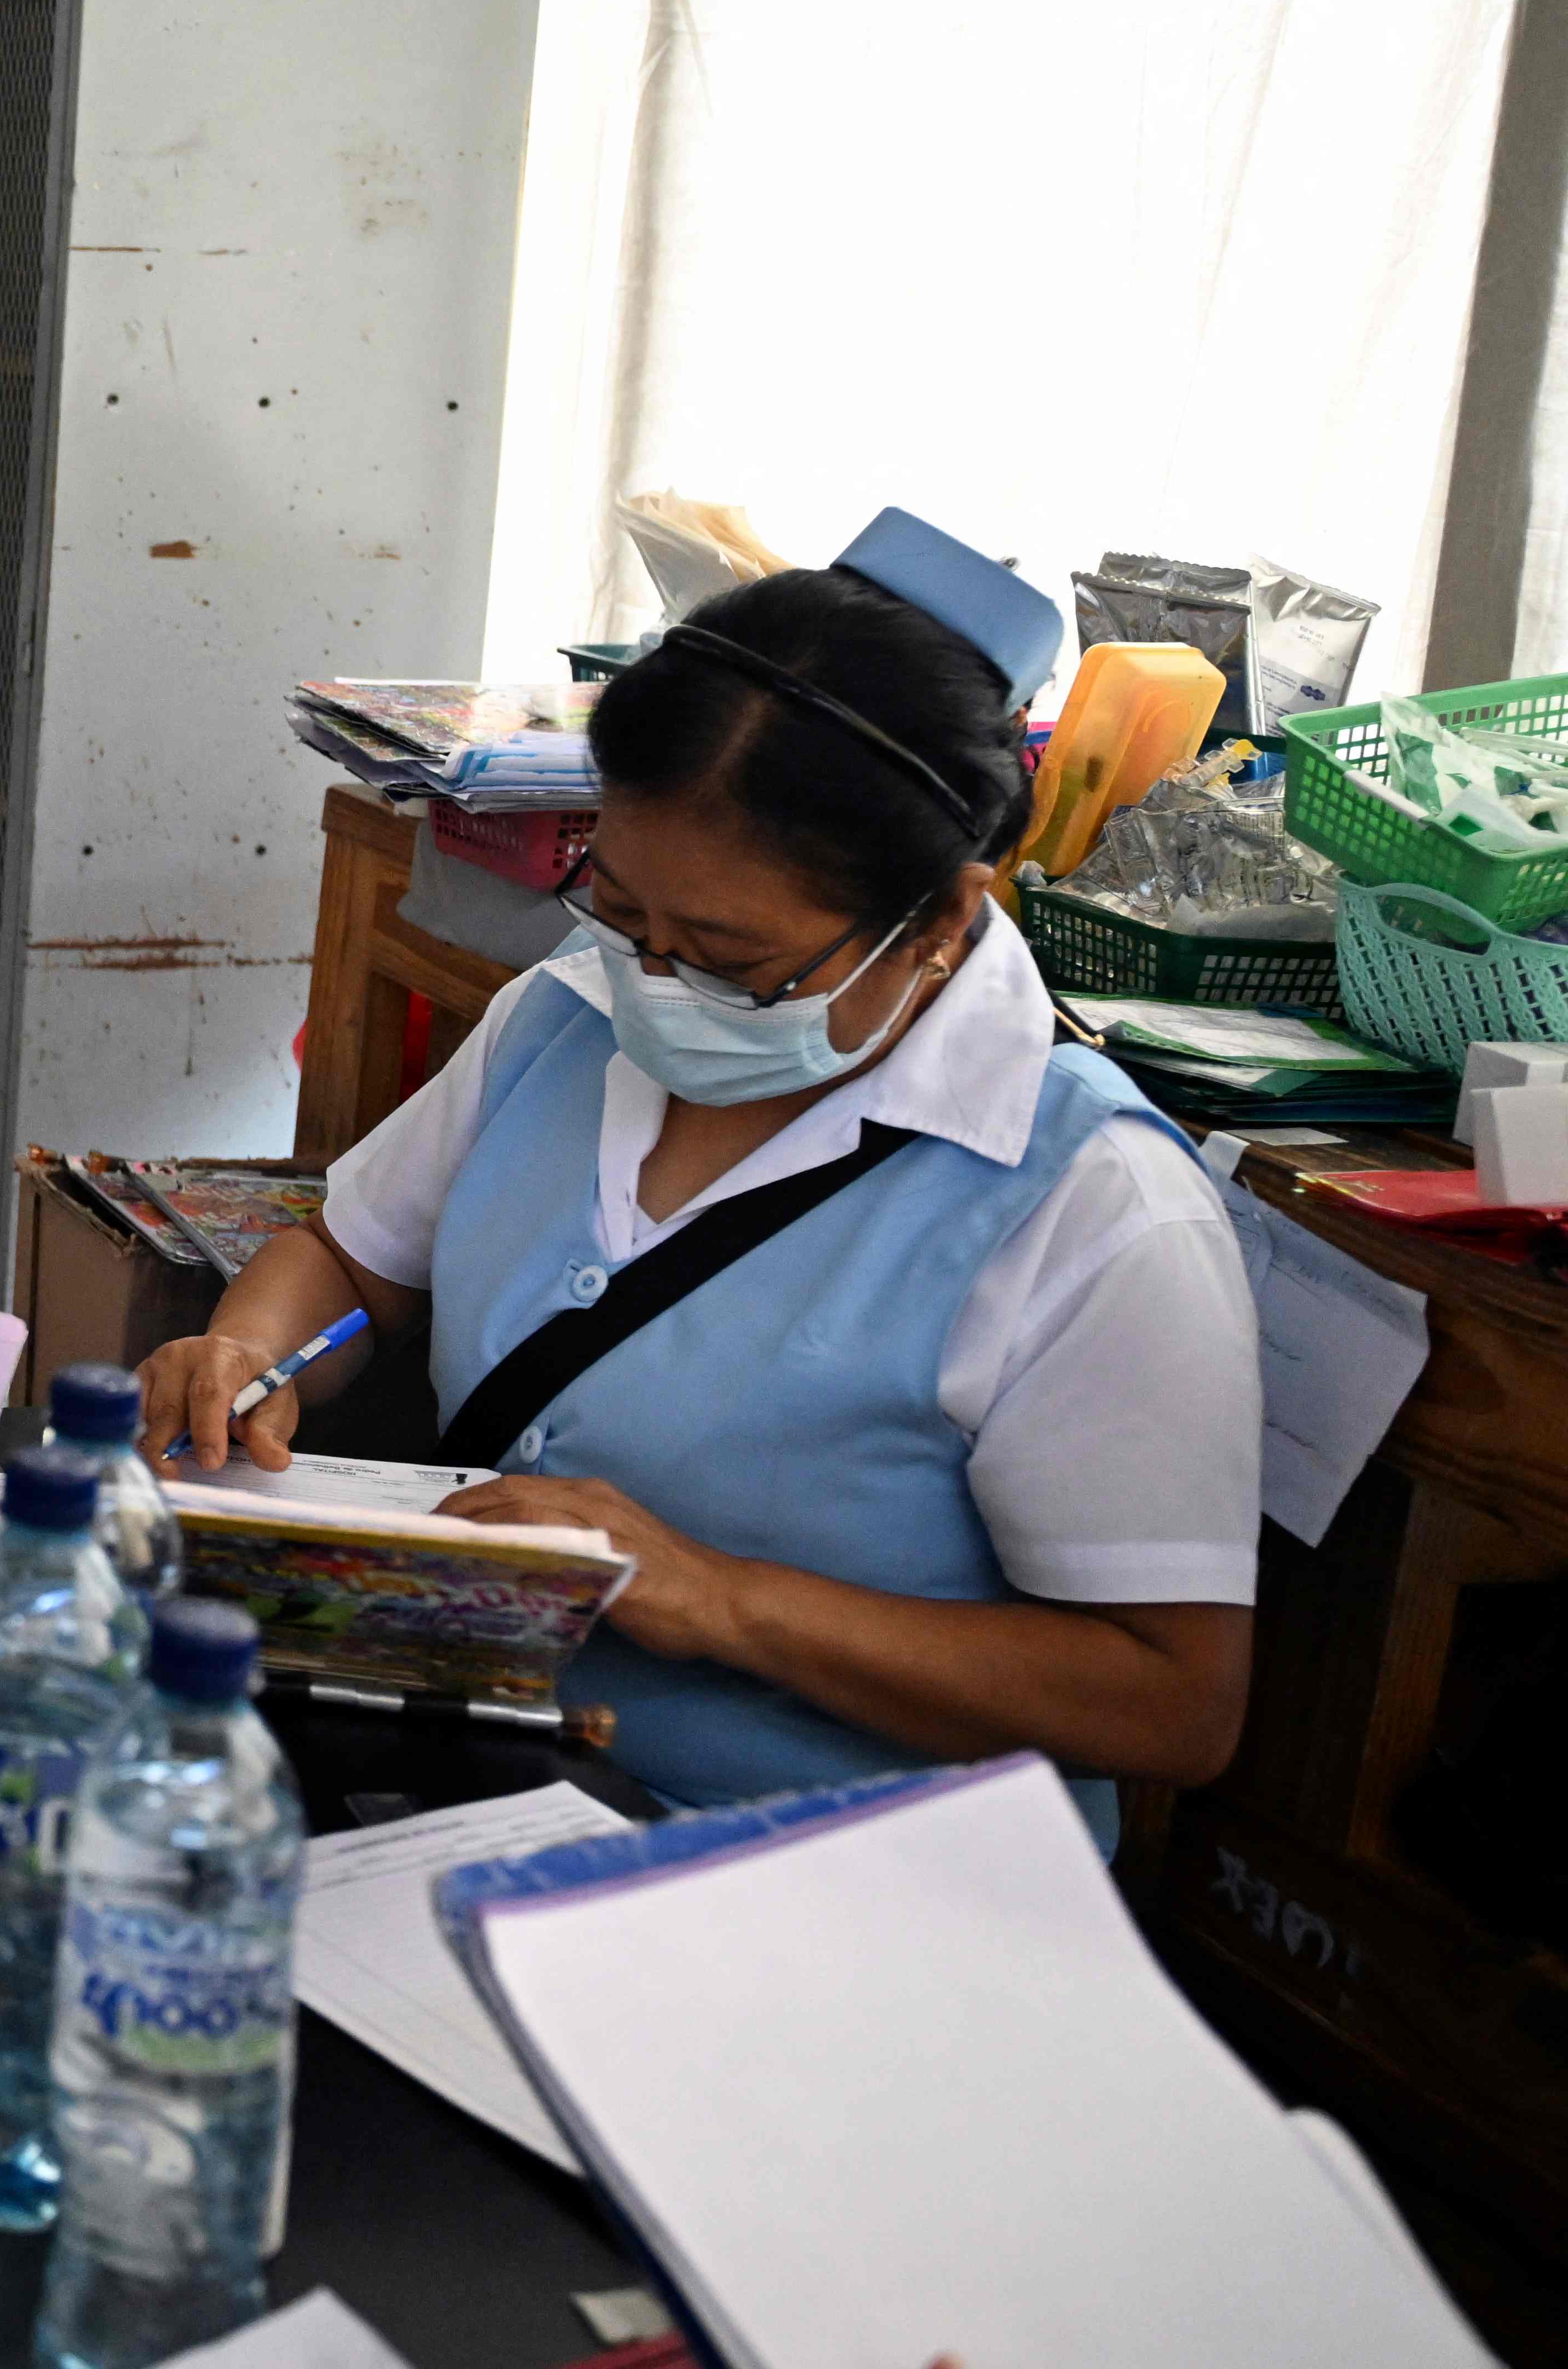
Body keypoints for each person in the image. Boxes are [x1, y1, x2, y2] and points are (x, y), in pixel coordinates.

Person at [138, 518, 1260, 1841]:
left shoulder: (1090, 1206)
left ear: (943, 922)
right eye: (618, 911)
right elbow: (347, 1259)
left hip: (833, 1880)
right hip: (479, 1778)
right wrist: (243, 1351)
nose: (655, 984)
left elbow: (1172, 1704)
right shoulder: (558, 1022)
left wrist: (720, 1600)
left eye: (730, 957)